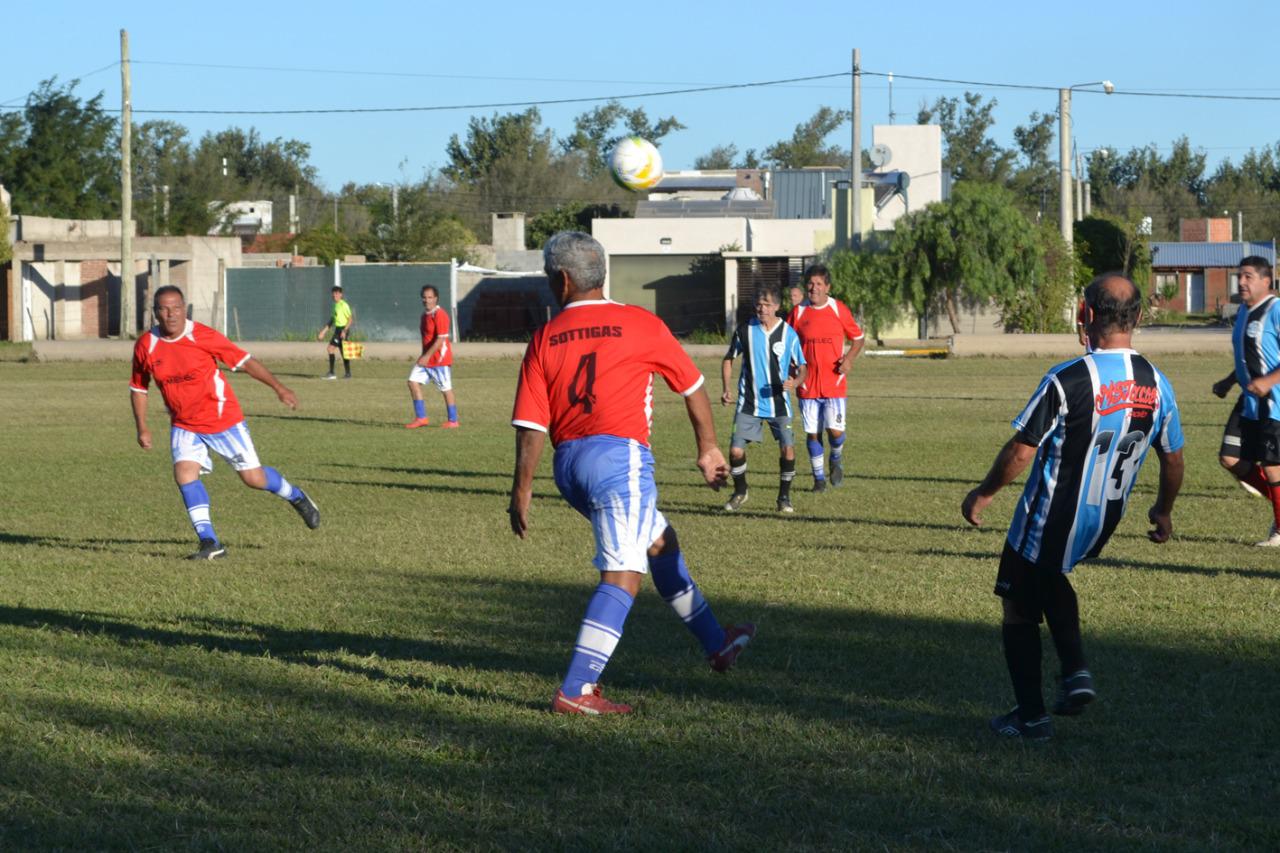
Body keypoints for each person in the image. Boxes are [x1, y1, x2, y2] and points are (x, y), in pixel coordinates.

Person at [508, 231, 755, 715]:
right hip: (620, 460)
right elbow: (693, 386)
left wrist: (521, 491)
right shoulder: (639, 323)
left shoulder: (544, 337)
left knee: (661, 543)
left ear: (560, 281)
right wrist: (707, 448)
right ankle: (576, 689)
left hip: (569, 466)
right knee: (624, 575)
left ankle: (717, 643)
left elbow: (531, 427)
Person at [962, 274, 1184, 740]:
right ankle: (1067, 679)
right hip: (1102, 517)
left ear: (1085, 316)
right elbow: (1174, 458)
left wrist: (984, 492)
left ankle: (1040, 708)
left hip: (1051, 513)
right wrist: (1163, 510)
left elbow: (1023, 449)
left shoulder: (1066, 379)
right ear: (1139, 318)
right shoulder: (1158, 383)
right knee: (1042, 581)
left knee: (1019, 607)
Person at [130, 286, 321, 560]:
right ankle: (210, 542)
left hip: (222, 420)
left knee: (253, 479)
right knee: (184, 473)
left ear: (185, 309)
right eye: (163, 308)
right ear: (155, 312)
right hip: (184, 424)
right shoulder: (146, 345)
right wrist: (142, 426)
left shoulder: (203, 336)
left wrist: (279, 388)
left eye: (176, 307)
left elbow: (246, 361)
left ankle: (296, 496)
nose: (170, 314)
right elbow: (138, 388)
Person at [720, 283, 807, 513]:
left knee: (788, 449)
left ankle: (784, 498)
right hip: (748, 402)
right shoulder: (744, 330)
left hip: (779, 404)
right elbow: (729, 358)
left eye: (767, 305)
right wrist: (726, 387)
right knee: (735, 451)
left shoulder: (789, 334)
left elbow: (803, 367)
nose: (762, 309)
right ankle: (740, 491)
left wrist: (795, 382)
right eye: (758, 304)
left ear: (777, 306)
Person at [1211, 256, 1280, 544]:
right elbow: (1246, 357)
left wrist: (1268, 381)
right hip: (1249, 399)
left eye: (1249, 276)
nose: (1241, 282)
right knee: (1230, 458)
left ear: (1267, 281)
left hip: (1274, 401)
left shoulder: (1275, 310)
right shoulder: (1243, 310)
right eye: (1240, 276)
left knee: (1271, 465)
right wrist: (1229, 381)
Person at [786, 264, 865, 491]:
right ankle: (818, 480)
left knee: (836, 432)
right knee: (812, 434)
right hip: (807, 384)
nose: (814, 288)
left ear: (827, 287)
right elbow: (786, 341)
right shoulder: (798, 312)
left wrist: (849, 358)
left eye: (819, 284)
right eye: (810, 283)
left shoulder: (838, 309)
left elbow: (858, 338)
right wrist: (791, 367)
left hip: (834, 383)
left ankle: (836, 458)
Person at [404, 285, 459, 429]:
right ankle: (421, 418)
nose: (426, 300)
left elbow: (441, 339)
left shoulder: (440, 315)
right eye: (424, 297)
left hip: (439, 360)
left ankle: (453, 421)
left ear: (436, 298)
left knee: (446, 389)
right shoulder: (425, 315)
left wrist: (427, 356)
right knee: (412, 382)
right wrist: (424, 356)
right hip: (426, 359)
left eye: (430, 297)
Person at [317, 285, 355, 379]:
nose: (335, 295)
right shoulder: (335, 305)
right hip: (338, 330)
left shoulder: (343, 305)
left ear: (341, 294)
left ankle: (332, 373)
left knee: (331, 349)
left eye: (337, 293)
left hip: (342, 330)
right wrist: (323, 332)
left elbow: (350, 320)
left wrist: (344, 331)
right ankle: (347, 374)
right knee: (342, 352)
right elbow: (332, 320)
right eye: (333, 293)